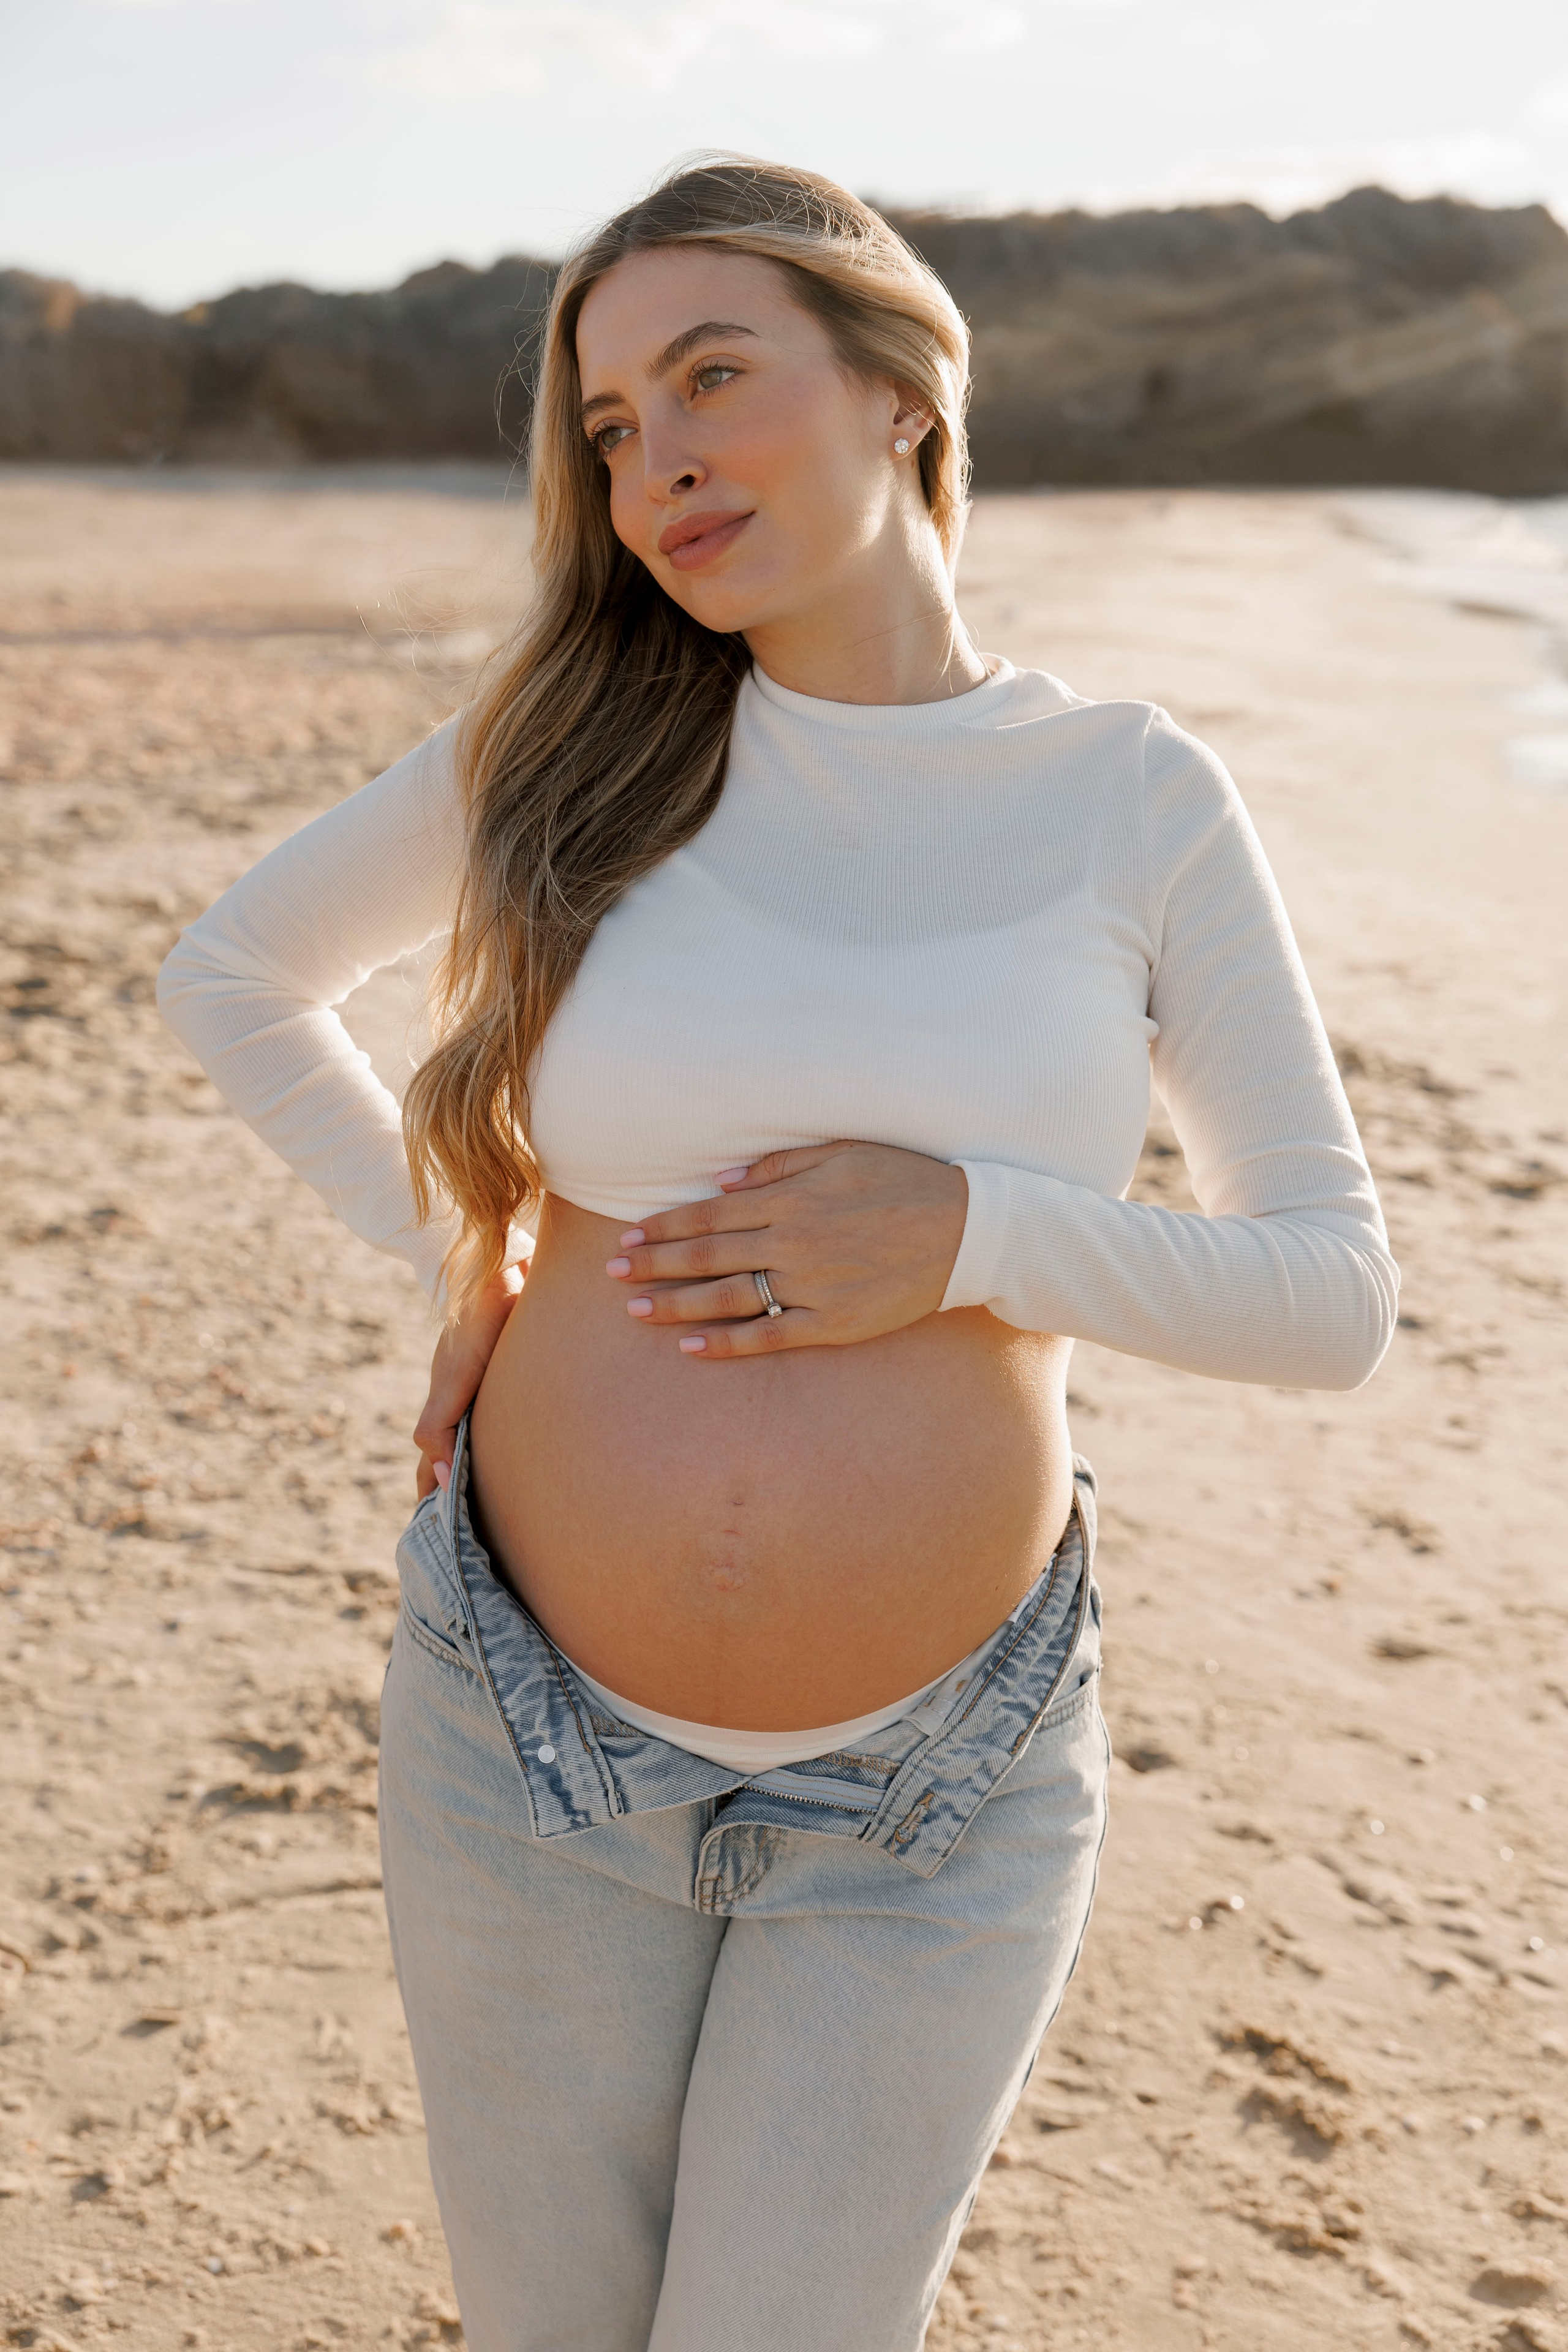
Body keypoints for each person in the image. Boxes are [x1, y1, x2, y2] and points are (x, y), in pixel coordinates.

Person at [159, 157, 1398, 2352]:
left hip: (942, 1786)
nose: (659, 464)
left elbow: (1331, 1293)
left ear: (907, 386)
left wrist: (983, 1237)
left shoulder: (1126, 789)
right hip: (519, 1732)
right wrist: (466, 1253)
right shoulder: (573, 750)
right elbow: (238, 975)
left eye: (713, 377)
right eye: (616, 426)